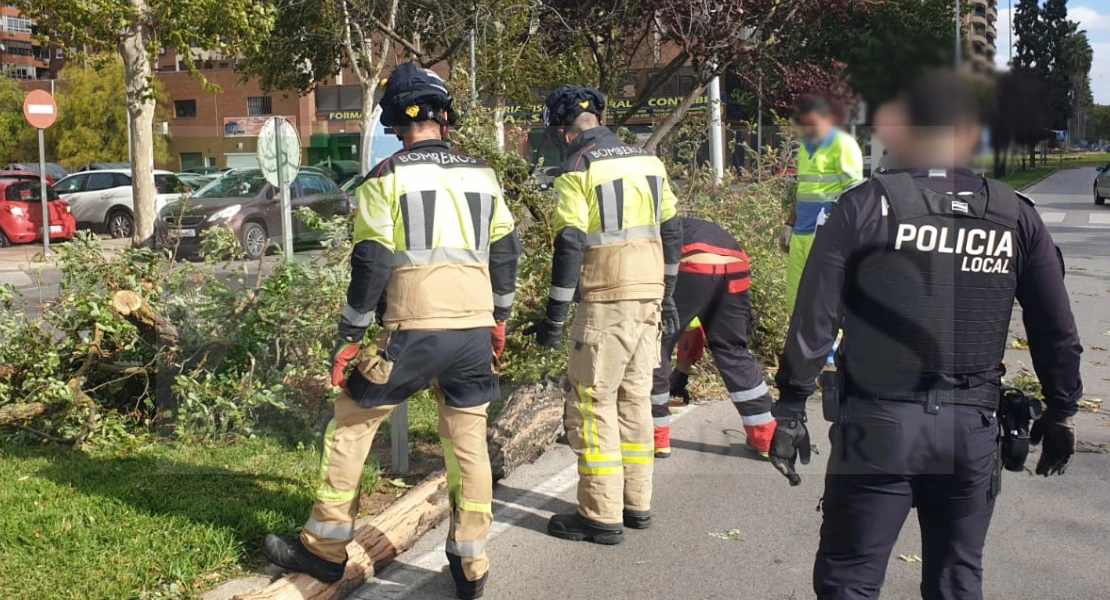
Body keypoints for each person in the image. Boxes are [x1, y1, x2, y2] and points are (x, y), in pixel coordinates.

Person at [770, 72, 1083, 600]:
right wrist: (1062, 413)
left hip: (876, 425)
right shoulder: (1013, 216)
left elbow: (814, 314)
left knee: (850, 579)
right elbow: (1056, 329)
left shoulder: (866, 204)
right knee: (956, 580)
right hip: (972, 428)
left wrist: (792, 405)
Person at [261, 62, 521, 600]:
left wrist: (350, 336)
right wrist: (499, 320)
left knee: (352, 423)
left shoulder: (386, 178)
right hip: (473, 332)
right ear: (445, 117)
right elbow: (506, 253)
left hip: (410, 330)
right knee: (467, 443)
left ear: (394, 124)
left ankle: (325, 551)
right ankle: (470, 565)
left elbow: (372, 263)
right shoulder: (484, 177)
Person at [527, 85, 682, 545]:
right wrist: (668, 293)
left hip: (605, 300)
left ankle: (599, 513)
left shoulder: (577, 166)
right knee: (635, 398)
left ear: (560, 129)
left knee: (592, 403)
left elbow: (570, 242)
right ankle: (636, 504)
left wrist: (555, 316)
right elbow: (672, 231)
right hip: (649, 299)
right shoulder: (648, 160)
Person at [651, 217, 776, 459]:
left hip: (691, 263)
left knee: (657, 344)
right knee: (732, 348)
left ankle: (657, 436)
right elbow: (695, 324)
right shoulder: (688, 226)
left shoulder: (651, 237)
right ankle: (766, 438)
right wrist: (682, 373)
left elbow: (675, 328)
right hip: (735, 264)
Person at [778, 95, 864, 315]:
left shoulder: (842, 144)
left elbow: (855, 194)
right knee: (796, 297)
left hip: (826, 233)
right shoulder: (807, 147)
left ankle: (830, 349)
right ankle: (798, 345)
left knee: (824, 298)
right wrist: (789, 223)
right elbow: (803, 190)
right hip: (802, 232)